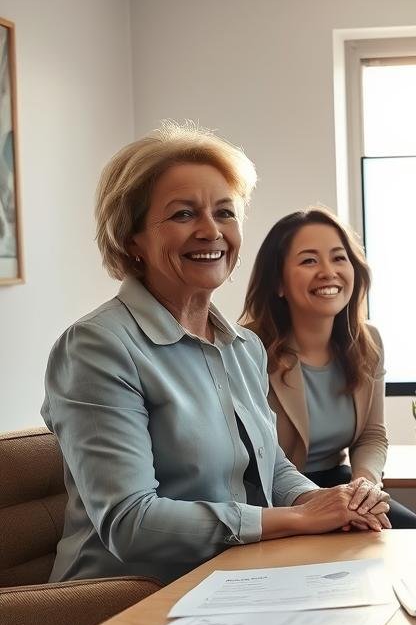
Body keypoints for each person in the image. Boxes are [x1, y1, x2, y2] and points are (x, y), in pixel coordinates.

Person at [44, 124, 388, 585]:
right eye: (184, 214)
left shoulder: (243, 347)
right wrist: (298, 521)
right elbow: (131, 523)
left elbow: (272, 467)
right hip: (119, 601)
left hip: (229, 580)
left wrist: (323, 502)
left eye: (225, 213)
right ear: (133, 239)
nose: (211, 231)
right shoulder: (96, 347)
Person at [240, 208, 416, 529]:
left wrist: (364, 486)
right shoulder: (247, 347)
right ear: (279, 283)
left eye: (339, 258)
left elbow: (371, 435)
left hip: (340, 484)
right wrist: (320, 507)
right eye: (309, 260)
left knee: (410, 530)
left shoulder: (369, 342)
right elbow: (255, 463)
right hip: (272, 497)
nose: (328, 272)